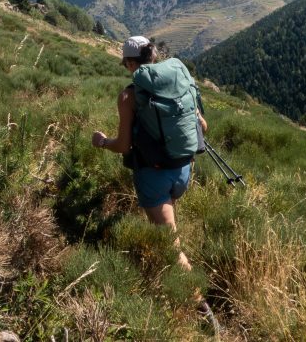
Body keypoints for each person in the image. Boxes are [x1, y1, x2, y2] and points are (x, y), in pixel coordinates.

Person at [92, 36, 215, 324]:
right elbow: (203, 127)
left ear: (132, 64)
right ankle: (168, 280)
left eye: (126, 64)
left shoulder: (129, 96)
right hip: (183, 171)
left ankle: (205, 314)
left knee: (172, 249)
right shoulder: (179, 82)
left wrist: (101, 142)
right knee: (170, 232)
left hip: (153, 177)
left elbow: (123, 146)